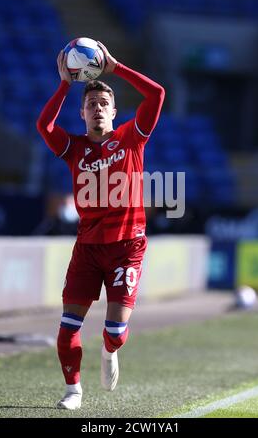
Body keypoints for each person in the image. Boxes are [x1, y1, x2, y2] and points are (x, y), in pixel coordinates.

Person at [37, 42, 165, 410]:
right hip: (88, 250)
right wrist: (64, 84)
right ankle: (73, 390)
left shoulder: (132, 137)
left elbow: (157, 93)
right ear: (82, 113)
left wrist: (115, 67)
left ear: (113, 111)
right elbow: (43, 125)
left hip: (128, 246)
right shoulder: (74, 148)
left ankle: (110, 353)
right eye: (91, 105)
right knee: (67, 330)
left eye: (103, 105)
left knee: (115, 333)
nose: (97, 110)